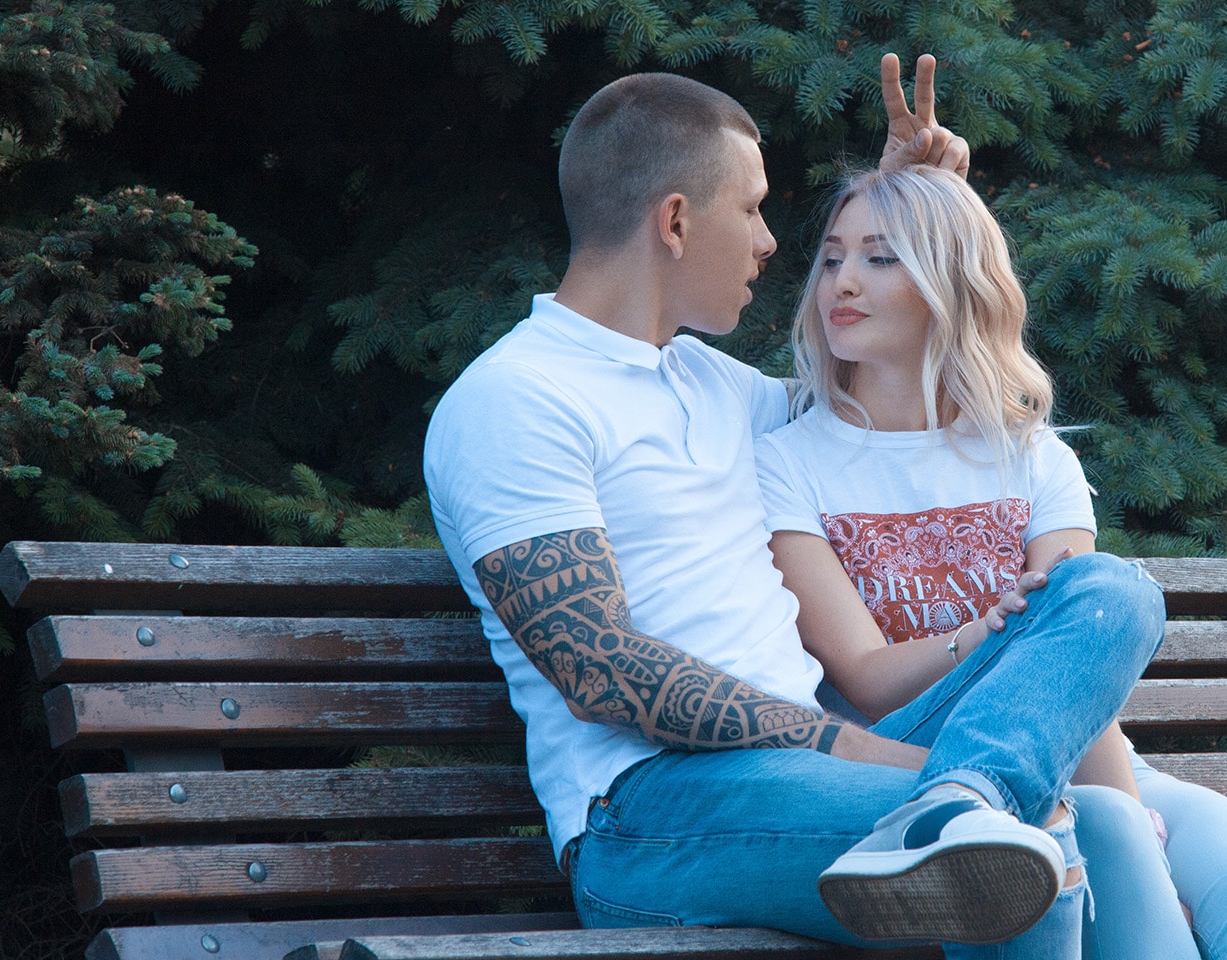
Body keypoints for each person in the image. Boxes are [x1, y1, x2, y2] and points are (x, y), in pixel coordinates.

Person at [422, 57, 1167, 956]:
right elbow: (601, 672)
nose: (774, 242)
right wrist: (844, 749)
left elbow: (888, 381)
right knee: (1017, 841)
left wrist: (909, 210)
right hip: (653, 810)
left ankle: (965, 793)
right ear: (675, 221)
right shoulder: (517, 399)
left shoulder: (714, 385)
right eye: (752, 208)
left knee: (1107, 592)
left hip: (811, 769)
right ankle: (969, 800)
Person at [752, 164, 1227, 960]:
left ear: (951, 283)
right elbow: (866, 678)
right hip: (910, 765)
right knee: (1116, 829)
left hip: (1064, 753)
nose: (842, 281)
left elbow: (1081, 657)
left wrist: (1121, 804)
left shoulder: (1031, 457)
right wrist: (987, 636)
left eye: (880, 258)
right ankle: (993, 807)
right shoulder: (789, 464)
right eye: (832, 258)